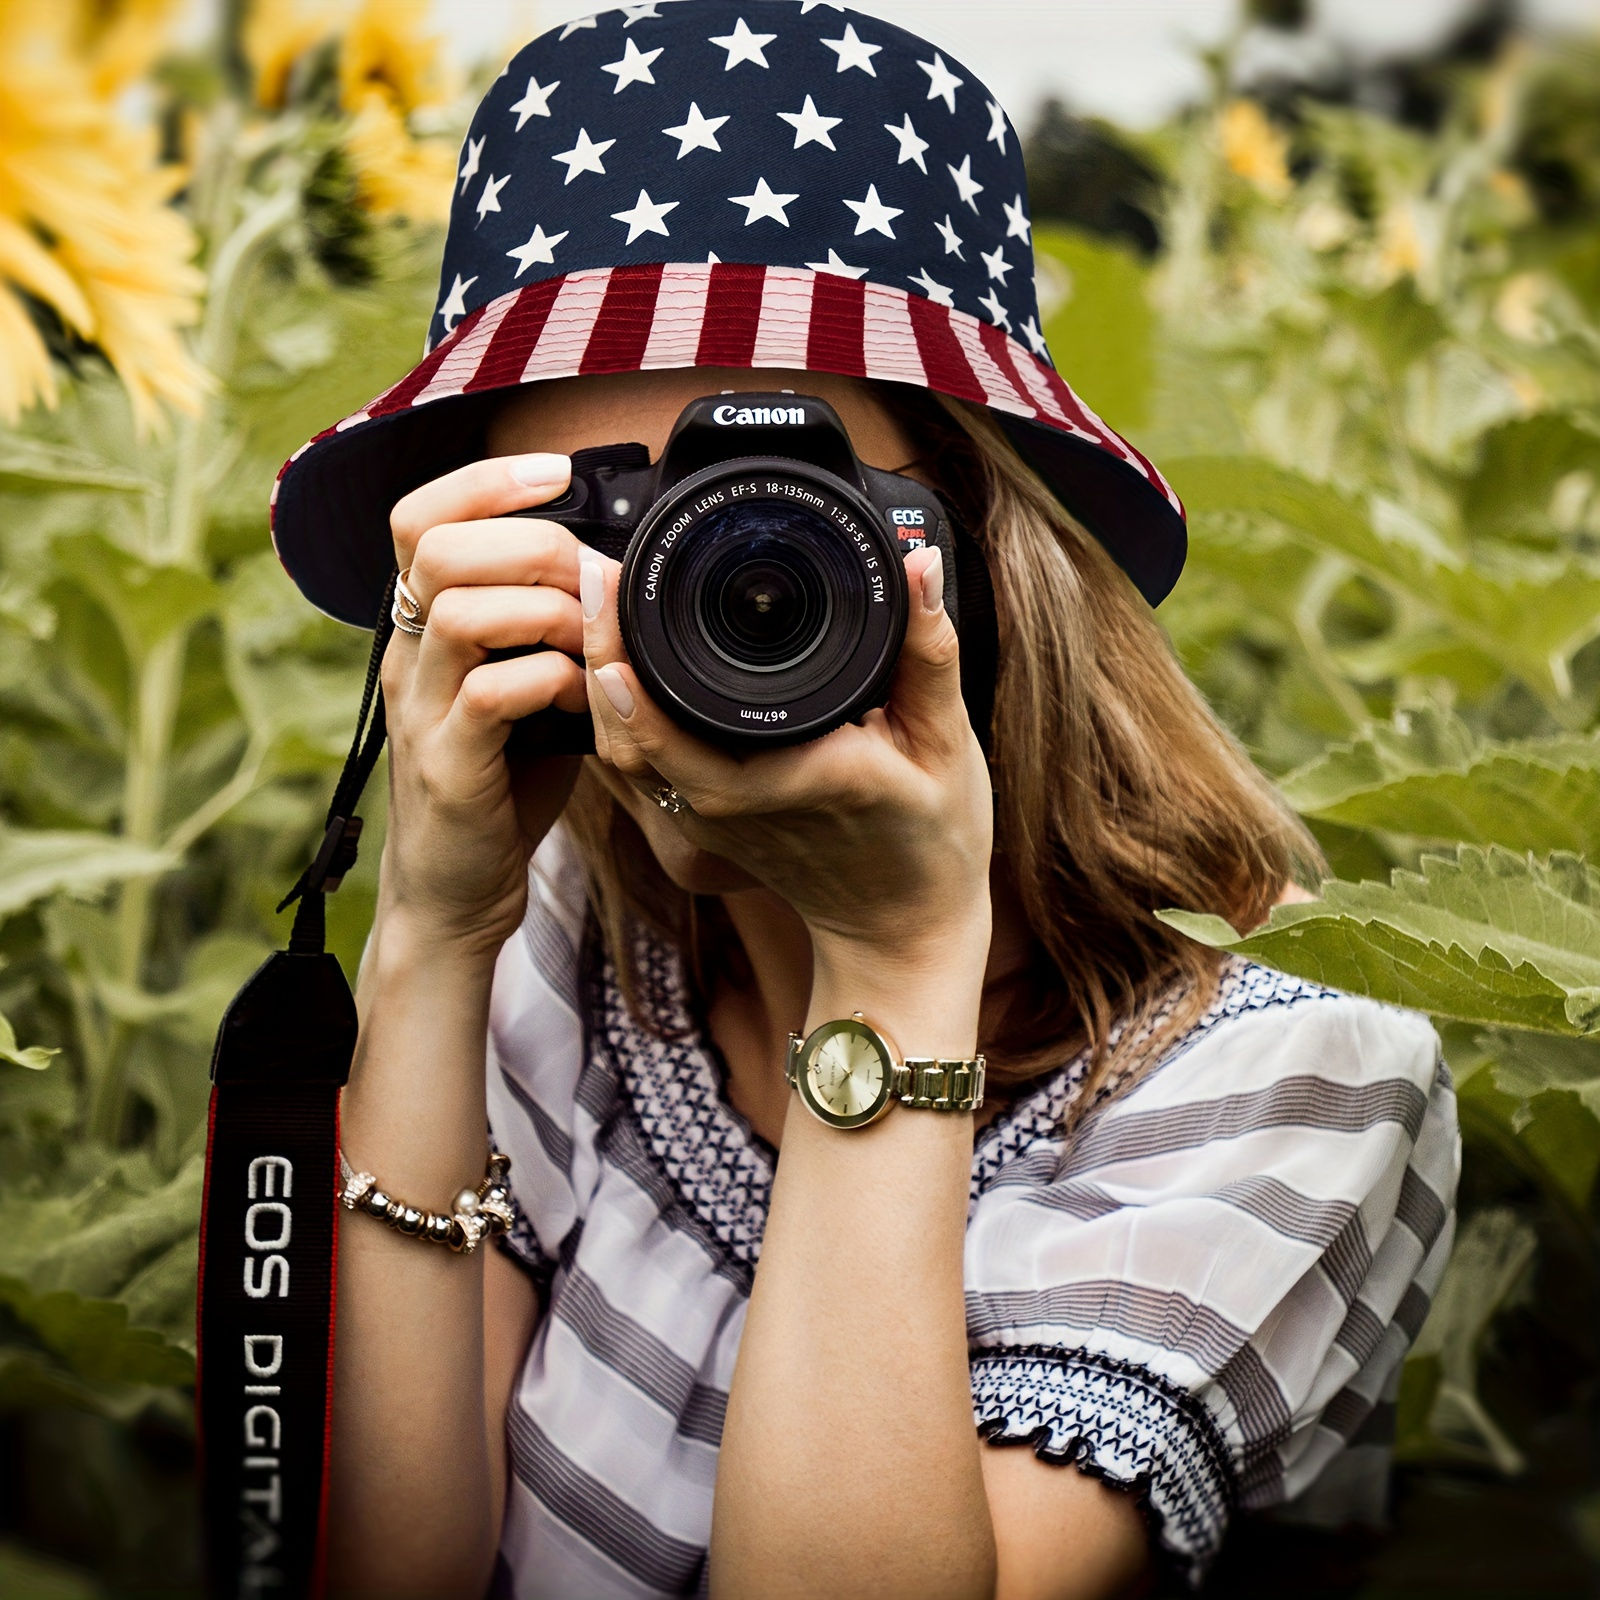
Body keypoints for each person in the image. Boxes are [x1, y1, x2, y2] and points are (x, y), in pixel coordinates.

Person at [265, 5, 1461, 1596]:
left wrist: (897, 969)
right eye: (611, 521)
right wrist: (429, 927)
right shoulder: (571, 928)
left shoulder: (1300, 1067)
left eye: (786, 517)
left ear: (984, 548)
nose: (697, 592)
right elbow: (376, 1575)